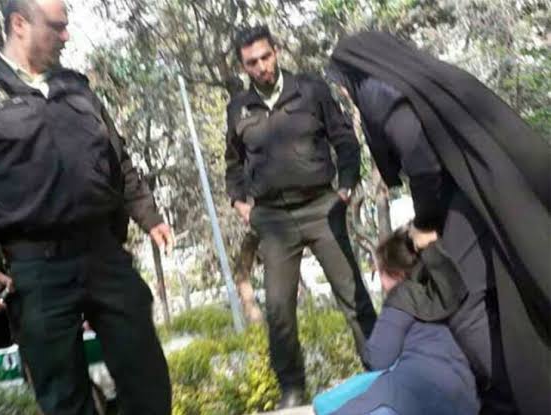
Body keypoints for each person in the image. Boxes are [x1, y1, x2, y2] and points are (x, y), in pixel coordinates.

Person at [0, 1, 173, 414]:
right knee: (64, 399)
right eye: (57, 27)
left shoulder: (76, 87)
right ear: (19, 24)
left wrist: (148, 216)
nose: (66, 36)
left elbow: (117, 160)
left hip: (103, 254)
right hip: (35, 268)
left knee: (148, 379)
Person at [328, 31, 550, 415]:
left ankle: (508, 397)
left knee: (464, 305)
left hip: (461, 205)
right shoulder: (417, 81)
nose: (346, 94)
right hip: (479, 198)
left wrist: (425, 222)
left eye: (343, 85)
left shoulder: (377, 92)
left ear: (354, 72)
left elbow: (420, 157)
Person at [224, 25, 376, 408]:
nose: (261, 67)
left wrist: (346, 186)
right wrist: (240, 203)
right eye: (252, 62)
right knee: (279, 310)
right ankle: (292, 391)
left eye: (266, 56)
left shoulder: (310, 89)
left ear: (276, 51)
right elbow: (234, 164)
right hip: (273, 220)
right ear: (243, 66)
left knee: (353, 296)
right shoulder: (239, 108)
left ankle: (380, 369)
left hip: (321, 208)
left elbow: (344, 138)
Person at [321, 228, 479, 415]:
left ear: (394, 273)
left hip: (410, 397)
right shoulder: (444, 295)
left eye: (379, 272)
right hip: (465, 402)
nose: (380, 283)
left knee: (326, 404)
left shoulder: (403, 297)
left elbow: (378, 359)